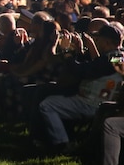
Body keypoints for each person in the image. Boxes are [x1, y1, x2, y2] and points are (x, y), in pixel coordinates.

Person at [35, 24, 124, 153]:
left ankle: (62, 143)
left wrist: (66, 52)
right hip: (103, 102)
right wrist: (80, 50)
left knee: (47, 105)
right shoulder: (119, 56)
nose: (96, 43)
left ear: (107, 41)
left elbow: (82, 71)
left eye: (98, 40)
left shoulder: (113, 58)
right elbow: (97, 66)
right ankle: (64, 137)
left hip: (92, 103)